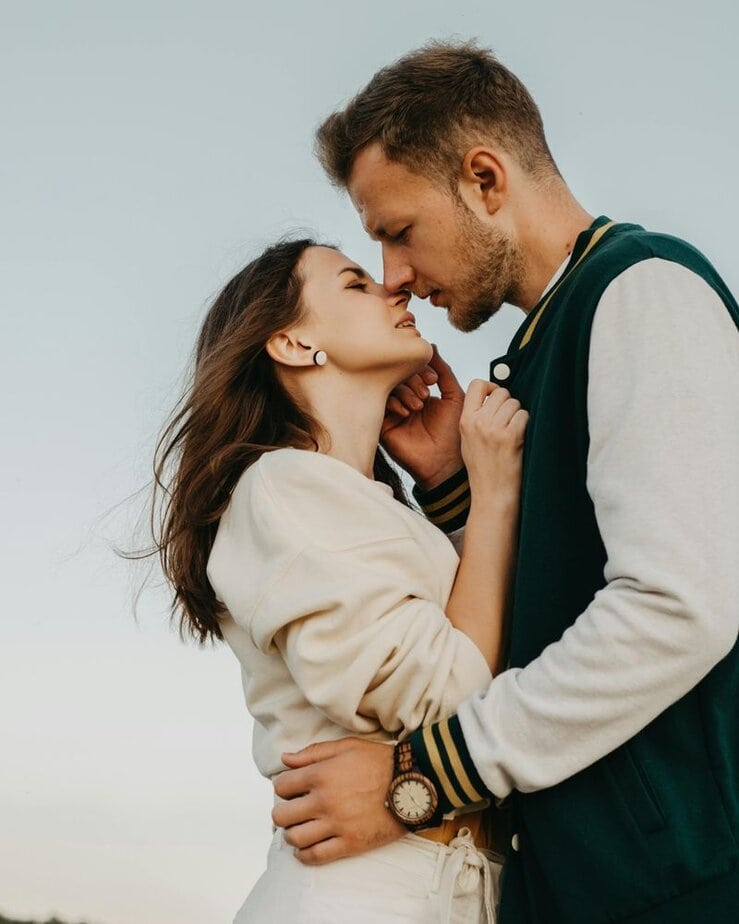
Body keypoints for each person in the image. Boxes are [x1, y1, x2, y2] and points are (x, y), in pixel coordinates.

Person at [271, 41, 739, 924]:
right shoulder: (535, 348)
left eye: (398, 232)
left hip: (682, 883)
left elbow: (678, 606)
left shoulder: (644, 292)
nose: (394, 276)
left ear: (484, 180)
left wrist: (421, 777)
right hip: (569, 887)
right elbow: (552, 606)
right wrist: (455, 488)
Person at [150, 235, 531, 922]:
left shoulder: (358, 503)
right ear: (293, 344)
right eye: (355, 283)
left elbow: (486, 642)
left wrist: (448, 482)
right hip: (361, 892)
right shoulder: (281, 485)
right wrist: (495, 489)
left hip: (439, 885)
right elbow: (447, 690)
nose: (393, 289)